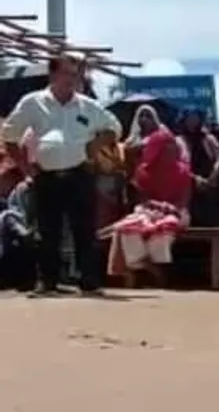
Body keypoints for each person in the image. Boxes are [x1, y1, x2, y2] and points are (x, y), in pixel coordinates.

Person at [0, 54, 121, 296]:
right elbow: (10, 135)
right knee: (47, 229)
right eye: (67, 73)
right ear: (53, 74)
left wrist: (95, 145)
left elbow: (115, 128)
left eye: (75, 75)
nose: (72, 79)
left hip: (80, 173)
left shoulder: (87, 105)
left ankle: (89, 281)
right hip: (46, 175)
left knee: (84, 229)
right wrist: (25, 168)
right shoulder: (33, 102)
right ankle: (48, 282)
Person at [110, 129, 192, 278]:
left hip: (177, 211)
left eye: (173, 148)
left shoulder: (183, 171)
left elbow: (184, 198)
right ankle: (141, 263)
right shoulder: (142, 171)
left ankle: (160, 267)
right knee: (129, 228)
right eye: (166, 149)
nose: (171, 152)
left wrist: (170, 208)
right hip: (148, 209)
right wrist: (156, 206)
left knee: (162, 229)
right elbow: (142, 197)